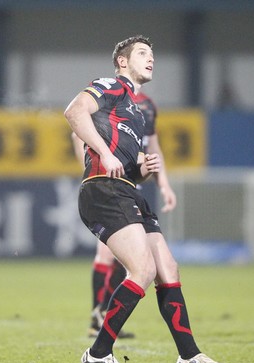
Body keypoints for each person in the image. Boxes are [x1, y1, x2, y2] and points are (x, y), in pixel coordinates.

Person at [64, 35, 232, 363]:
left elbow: (128, 170)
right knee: (142, 271)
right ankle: (98, 354)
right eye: (142, 53)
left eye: (153, 54)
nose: (150, 59)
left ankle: (189, 357)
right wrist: (106, 152)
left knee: (167, 269)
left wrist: (142, 169)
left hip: (126, 190)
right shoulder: (110, 85)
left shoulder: (136, 112)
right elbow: (74, 112)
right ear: (122, 62)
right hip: (103, 189)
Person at [72, 90, 177, 340]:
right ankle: (97, 315)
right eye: (141, 55)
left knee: (129, 260)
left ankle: (104, 315)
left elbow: (153, 148)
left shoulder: (147, 107)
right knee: (110, 253)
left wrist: (164, 185)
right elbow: (78, 131)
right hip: (110, 182)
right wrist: (89, 168)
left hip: (134, 184)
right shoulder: (110, 96)